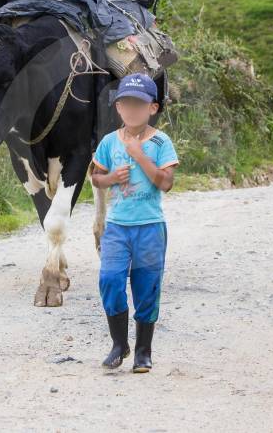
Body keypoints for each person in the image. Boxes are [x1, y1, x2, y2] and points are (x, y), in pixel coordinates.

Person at [90, 73, 179, 373]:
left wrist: (140, 157)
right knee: (110, 280)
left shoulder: (161, 142)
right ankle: (119, 344)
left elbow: (166, 183)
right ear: (117, 108)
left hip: (151, 227)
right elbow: (96, 177)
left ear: (152, 108)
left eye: (138, 105)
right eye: (125, 104)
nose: (131, 110)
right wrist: (112, 178)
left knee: (147, 287)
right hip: (117, 227)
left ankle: (143, 351)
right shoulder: (108, 143)